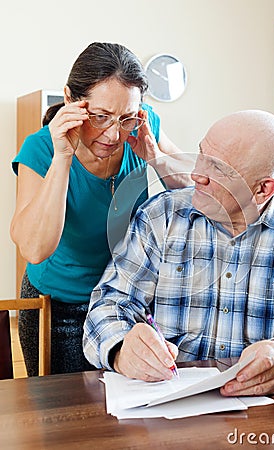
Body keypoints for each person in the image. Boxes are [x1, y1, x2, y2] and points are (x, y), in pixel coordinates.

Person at [83, 109, 274, 396]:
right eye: (202, 154)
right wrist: (120, 349)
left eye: (219, 169)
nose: (195, 174)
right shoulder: (160, 215)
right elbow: (108, 305)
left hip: (263, 412)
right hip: (167, 405)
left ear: (263, 189)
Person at [10, 42, 192, 376]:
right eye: (100, 117)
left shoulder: (140, 125)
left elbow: (199, 196)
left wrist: (155, 158)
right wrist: (63, 157)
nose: (113, 134)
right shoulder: (40, 148)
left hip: (125, 298)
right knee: (65, 420)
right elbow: (34, 248)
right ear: (70, 100)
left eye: (124, 118)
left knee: (126, 417)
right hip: (59, 306)